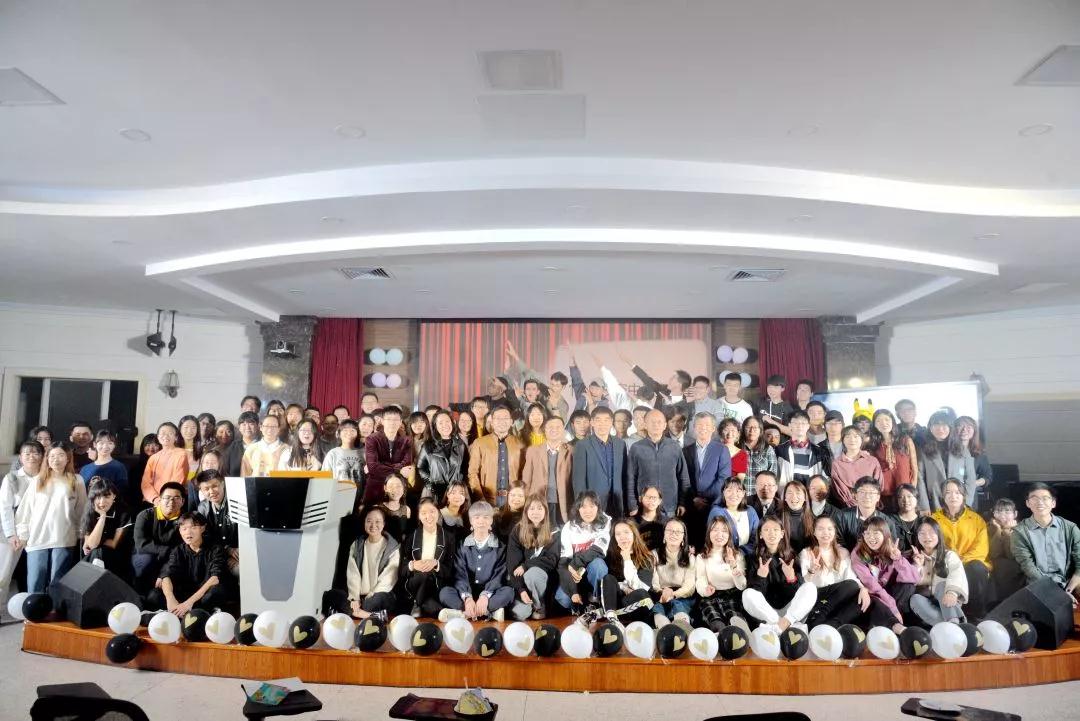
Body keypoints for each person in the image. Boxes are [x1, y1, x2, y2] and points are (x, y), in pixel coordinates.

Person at [16, 446, 88, 593]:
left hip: (64, 537)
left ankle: (56, 608)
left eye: (61, 455)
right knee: (35, 582)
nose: (56, 459)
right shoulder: (38, 480)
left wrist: (81, 533)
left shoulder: (77, 480)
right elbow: (25, 510)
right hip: (37, 537)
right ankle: (34, 608)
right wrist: (23, 534)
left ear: (67, 458)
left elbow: (82, 510)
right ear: (47, 459)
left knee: (58, 583)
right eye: (52, 456)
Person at [438, 501, 513, 621]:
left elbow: (499, 576)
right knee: (445, 593)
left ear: (491, 521)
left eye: (486, 517)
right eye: (476, 517)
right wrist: (467, 598)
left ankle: (464, 614)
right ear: (471, 521)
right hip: (466, 592)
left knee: (508, 592)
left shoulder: (500, 547)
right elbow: (460, 574)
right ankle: (488, 613)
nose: (481, 521)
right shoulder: (462, 546)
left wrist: (485, 596)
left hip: (490, 593)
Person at [146, 512, 233, 614]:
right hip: (184, 594)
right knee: (154, 595)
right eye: (184, 529)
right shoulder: (178, 550)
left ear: (202, 528)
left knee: (215, 594)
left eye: (193, 528)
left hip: (204, 593)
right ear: (180, 531)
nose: (188, 532)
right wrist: (171, 600)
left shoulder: (215, 549)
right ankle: (179, 610)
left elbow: (215, 579)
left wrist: (189, 603)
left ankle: (191, 611)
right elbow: (167, 575)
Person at [742, 517, 817, 632]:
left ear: (782, 534)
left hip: (790, 611)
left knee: (810, 587)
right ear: (760, 534)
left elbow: (799, 591)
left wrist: (791, 579)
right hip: (768, 613)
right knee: (747, 594)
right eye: (766, 530)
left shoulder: (792, 556)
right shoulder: (752, 558)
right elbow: (756, 597)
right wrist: (761, 577)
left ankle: (781, 626)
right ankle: (781, 625)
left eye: (775, 529)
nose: (771, 533)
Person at [1011, 483, 1080, 606]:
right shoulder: (1020, 532)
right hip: (1036, 583)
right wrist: (1056, 592)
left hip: (1068, 582)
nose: (1040, 502)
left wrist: (1069, 589)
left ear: (1053, 503)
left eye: (1045, 498)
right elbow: (1028, 567)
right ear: (1028, 503)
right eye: (1034, 498)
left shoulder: (1070, 528)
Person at [932, 479, 991, 619]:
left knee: (977, 568)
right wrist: (949, 560)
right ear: (943, 496)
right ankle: (951, 615)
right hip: (944, 562)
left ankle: (977, 614)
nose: (953, 496)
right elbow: (931, 544)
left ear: (963, 496)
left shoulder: (976, 520)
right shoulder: (934, 519)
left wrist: (960, 562)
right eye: (948, 492)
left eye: (957, 492)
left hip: (969, 563)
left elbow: (981, 549)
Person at [799, 515, 869, 628]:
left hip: (838, 598)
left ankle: (831, 625)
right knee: (851, 585)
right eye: (821, 529)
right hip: (817, 596)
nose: (825, 533)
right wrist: (811, 571)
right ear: (814, 532)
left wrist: (863, 589)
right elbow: (804, 586)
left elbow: (851, 578)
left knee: (862, 598)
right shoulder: (807, 553)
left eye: (829, 529)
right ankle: (818, 619)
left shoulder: (843, 552)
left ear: (835, 531)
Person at [851, 516, 918, 634]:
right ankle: (894, 624)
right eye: (867, 533)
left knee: (908, 587)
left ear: (885, 534)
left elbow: (914, 578)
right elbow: (871, 585)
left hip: (887, 591)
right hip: (870, 594)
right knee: (876, 600)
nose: (871, 538)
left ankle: (893, 623)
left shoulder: (891, 549)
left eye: (876, 533)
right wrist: (893, 608)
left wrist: (898, 559)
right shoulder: (858, 553)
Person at [337, 506, 399, 620]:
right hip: (360, 596)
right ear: (364, 523)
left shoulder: (392, 548)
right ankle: (372, 615)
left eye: (377, 521)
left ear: (384, 524)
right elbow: (353, 574)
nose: (373, 525)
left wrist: (370, 596)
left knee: (369, 603)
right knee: (333, 595)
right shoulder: (357, 545)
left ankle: (356, 612)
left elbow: (388, 579)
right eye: (369, 521)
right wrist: (355, 598)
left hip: (381, 594)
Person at [1, 441, 43, 608]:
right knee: (3, 575)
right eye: (27, 453)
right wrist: (11, 534)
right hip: (13, 534)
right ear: (20, 457)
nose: (32, 456)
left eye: (36, 453)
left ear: (42, 456)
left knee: (33, 574)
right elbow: (5, 508)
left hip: (37, 533)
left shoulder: (46, 477)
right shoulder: (12, 478)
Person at [555, 491, 611, 614]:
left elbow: (599, 549)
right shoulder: (569, 527)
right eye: (583, 507)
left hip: (592, 571)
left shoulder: (605, 521)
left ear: (598, 508)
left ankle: (596, 601)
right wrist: (573, 592)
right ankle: (578, 604)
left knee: (598, 565)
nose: (588, 511)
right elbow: (564, 563)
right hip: (574, 574)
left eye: (592, 506)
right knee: (562, 598)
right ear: (578, 508)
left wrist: (575, 563)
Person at [627, 408, 689, 517]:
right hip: (645, 507)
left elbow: (683, 477)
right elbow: (630, 478)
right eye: (652, 422)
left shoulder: (674, 447)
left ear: (665, 425)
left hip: (670, 506)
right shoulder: (636, 448)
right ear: (645, 424)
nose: (656, 425)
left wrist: (683, 502)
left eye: (659, 422)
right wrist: (632, 505)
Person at [507, 495, 561, 620]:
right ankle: (530, 604)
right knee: (519, 614)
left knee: (533, 573)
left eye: (539, 508)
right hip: (523, 583)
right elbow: (512, 565)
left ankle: (539, 606)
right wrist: (521, 590)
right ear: (526, 511)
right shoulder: (517, 531)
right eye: (531, 508)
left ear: (545, 511)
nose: (535, 512)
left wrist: (525, 566)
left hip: (544, 582)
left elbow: (551, 560)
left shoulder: (554, 531)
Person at [909, 517, 969, 625]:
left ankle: (952, 621)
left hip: (947, 599)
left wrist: (952, 592)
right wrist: (917, 566)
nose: (927, 537)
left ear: (938, 534)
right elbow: (912, 584)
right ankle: (954, 624)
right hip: (928, 603)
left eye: (931, 532)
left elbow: (957, 574)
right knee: (915, 599)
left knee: (941, 585)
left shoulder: (949, 555)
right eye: (922, 533)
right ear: (917, 536)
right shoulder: (914, 558)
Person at [403, 498, 456, 618]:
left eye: (432, 511)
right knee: (424, 575)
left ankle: (418, 603)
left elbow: (450, 571)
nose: (428, 516)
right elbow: (402, 569)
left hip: (435, 584)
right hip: (415, 582)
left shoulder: (448, 537)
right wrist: (413, 565)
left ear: (438, 512)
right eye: (424, 513)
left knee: (430, 605)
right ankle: (421, 604)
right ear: (419, 516)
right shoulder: (411, 537)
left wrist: (436, 564)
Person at [684, 412, 732, 544]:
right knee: (691, 541)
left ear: (713, 428)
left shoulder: (722, 450)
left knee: (710, 542)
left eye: (706, 425)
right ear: (694, 428)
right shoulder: (686, 451)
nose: (703, 428)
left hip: (713, 503)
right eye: (699, 425)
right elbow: (683, 478)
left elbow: (724, 478)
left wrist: (704, 498)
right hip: (691, 505)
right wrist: (693, 499)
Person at [695, 515, 749, 632]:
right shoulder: (702, 556)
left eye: (724, 531)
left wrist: (733, 565)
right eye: (715, 530)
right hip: (711, 597)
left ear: (729, 534)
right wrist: (705, 589)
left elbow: (742, 585)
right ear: (709, 533)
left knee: (737, 623)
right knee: (717, 624)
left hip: (732, 596)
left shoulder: (737, 555)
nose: (719, 534)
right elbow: (701, 579)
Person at [572, 407, 628, 517]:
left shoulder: (620, 444)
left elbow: (624, 475)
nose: (602, 424)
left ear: (611, 422)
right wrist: (583, 506)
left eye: (606, 420)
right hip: (593, 503)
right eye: (598, 420)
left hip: (617, 501)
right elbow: (579, 480)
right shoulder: (582, 445)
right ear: (592, 422)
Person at [600, 520, 655, 626]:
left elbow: (640, 587)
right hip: (617, 604)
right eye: (618, 534)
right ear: (614, 538)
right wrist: (624, 587)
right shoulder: (611, 556)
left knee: (641, 593)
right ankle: (612, 617)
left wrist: (627, 559)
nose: (622, 537)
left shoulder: (647, 557)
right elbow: (611, 584)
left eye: (626, 532)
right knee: (608, 578)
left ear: (634, 534)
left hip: (637, 603)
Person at [132, 482, 185, 592]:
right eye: (167, 498)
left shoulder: (185, 520)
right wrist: (166, 550)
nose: (171, 502)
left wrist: (165, 572)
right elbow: (141, 544)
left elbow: (181, 550)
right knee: (144, 562)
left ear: (182, 501)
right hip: (146, 553)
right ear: (160, 500)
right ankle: (139, 593)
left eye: (176, 498)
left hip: (172, 556)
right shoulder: (145, 515)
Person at [918, 410, 974, 513]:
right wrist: (924, 506)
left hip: (958, 500)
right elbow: (920, 478)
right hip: (934, 500)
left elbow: (970, 478)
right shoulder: (924, 450)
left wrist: (967, 502)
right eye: (936, 425)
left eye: (944, 425)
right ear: (930, 428)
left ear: (950, 427)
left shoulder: (962, 448)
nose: (940, 429)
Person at [468, 405, 523, 507]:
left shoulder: (520, 444)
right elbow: (472, 473)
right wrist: (480, 498)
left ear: (511, 422)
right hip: (487, 500)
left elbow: (523, 474)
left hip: (513, 501)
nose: (502, 421)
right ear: (492, 422)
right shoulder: (479, 443)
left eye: (505, 418)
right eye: (498, 418)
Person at [521, 415, 573, 524]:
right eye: (550, 427)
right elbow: (526, 479)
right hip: (539, 500)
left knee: (560, 531)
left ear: (563, 429)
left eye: (558, 427)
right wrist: (527, 501)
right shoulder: (533, 450)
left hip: (563, 501)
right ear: (544, 429)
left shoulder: (571, 451)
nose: (554, 430)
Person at [865, 410, 917, 511]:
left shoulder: (905, 440)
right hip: (884, 495)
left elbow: (914, 469)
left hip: (904, 494)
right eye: (879, 421)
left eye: (887, 420)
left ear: (893, 421)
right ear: (874, 425)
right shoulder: (872, 445)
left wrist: (911, 492)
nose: (883, 423)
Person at [81, 477, 132, 580]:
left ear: (114, 496)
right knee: (96, 552)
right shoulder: (89, 510)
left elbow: (113, 544)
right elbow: (90, 545)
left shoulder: (123, 512)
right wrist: (102, 517)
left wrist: (94, 539)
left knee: (98, 551)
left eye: (106, 496)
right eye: (98, 497)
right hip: (94, 556)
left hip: (116, 557)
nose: (102, 502)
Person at [651, 518, 696, 629]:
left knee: (677, 604)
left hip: (682, 595)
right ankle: (665, 630)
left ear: (683, 537)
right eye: (670, 530)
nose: (673, 534)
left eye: (678, 532)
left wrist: (673, 594)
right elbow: (654, 582)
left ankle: (683, 629)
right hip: (661, 594)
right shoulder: (654, 555)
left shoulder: (690, 557)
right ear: (664, 534)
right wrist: (662, 593)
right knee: (658, 609)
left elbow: (689, 586)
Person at [365, 406, 414, 505]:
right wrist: (399, 470)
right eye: (389, 419)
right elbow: (373, 467)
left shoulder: (407, 440)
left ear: (400, 422)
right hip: (376, 487)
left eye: (396, 420)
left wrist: (382, 465)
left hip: (397, 489)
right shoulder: (372, 439)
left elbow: (406, 464)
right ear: (382, 421)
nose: (392, 423)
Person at [833, 477, 899, 550]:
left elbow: (891, 547)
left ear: (878, 497)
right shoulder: (841, 517)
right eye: (862, 492)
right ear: (855, 495)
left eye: (871, 493)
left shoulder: (887, 522)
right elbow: (836, 544)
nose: (867, 496)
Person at [416, 410, 466, 505]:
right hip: (434, 492)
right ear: (435, 426)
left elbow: (465, 468)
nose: (445, 425)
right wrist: (430, 484)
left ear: (452, 423)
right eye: (440, 423)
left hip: (455, 492)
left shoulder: (460, 445)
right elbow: (420, 468)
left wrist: (458, 485)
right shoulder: (428, 445)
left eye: (447, 421)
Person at [195, 470, 237, 576]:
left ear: (223, 484)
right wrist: (227, 551)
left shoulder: (237, 502)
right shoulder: (202, 508)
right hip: (217, 555)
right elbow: (205, 538)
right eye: (206, 489)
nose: (211, 491)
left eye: (215, 486)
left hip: (239, 553)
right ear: (201, 491)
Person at [829, 425, 883, 508]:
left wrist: (869, 502)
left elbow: (879, 484)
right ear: (843, 440)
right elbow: (839, 489)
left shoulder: (872, 460)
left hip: (871, 505)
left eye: (856, 436)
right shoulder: (837, 464)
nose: (852, 440)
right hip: (848, 508)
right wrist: (855, 504)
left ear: (861, 440)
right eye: (848, 436)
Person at [706, 477, 761, 556]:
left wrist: (740, 553)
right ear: (723, 492)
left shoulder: (750, 511)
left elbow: (756, 539)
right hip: (724, 557)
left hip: (749, 557)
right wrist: (731, 555)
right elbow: (714, 539)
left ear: (743, 493)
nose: (734, 494)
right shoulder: (716, 512)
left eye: (738, 491)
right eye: (729, 490)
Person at [776, 412, 828, 489]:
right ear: (789, 425)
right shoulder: (779, 450)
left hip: (811, 494)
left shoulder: (819, 451)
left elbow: (825, 478)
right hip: (787, 494)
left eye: (803, 423)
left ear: (808, 426)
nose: (799, 426)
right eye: (795, 423)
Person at [141, 422, 190, 504]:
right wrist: (155, 499)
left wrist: (165, 499)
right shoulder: (153, 458)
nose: (166, 436)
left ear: (176, 437)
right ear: (158, 437)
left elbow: (178, 481)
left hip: (171, 501)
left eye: (170, 433)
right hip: (152, 501)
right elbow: (146, 483)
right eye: (163, 433)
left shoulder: (181, 454)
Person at [988, 498, 1025, 600]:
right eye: (999, 511)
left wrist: (1007, 532)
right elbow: (994, 553)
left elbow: (1011, 555)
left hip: (1014, 567)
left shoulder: (1022, 529)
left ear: (1015, 514)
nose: (1003, 515)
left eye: (1007, 511)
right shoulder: (989, 527)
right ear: (994, 514)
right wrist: (998, 530)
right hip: (995, 565)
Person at [954, 416, 991, 509]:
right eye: (960, 426)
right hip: (950, 495)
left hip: (970, 496)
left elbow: (987, 476)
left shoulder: (978, 453)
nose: (964, 430)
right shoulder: (948, 452)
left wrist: (972, 483)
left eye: (969, 427)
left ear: (974, 430)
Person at [79, 430, 129, 496]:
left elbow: (121, 493)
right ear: (94, 444)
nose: (105, 446)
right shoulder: (85, 469)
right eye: (101, 443)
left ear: (114, 445)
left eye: (110, 443)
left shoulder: (119, 467)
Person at [322, 419, 367, 491]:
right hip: (338, 495)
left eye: (352, 430)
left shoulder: (364, 453)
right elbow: (325, 479)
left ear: (357, 434)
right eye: (345, 430)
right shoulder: (333, 453)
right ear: (339, 434)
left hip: (360, 496)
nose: (349, 433)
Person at [741, 416, 777, 492]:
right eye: (748, 427)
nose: (751, 430)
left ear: (760, 430)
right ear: (743, 429)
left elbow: (773, 476)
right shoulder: (737, 448)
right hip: (739, 495)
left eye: (755, 428)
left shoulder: (767, 449)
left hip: (759, 495)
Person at [778, 480, 815, 553]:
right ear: (785, 498)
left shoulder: (814, 520)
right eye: (790, 493)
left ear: (805, 498)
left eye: (798, 493)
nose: (794, 496)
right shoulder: (777, 518)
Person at [630, 485, 668, 551]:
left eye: (654, 498)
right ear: (640, 499)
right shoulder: (631, 522)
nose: (651, 500)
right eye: (648, 497)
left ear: (659, 501)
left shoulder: (667, 522)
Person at [224, 412, 259, 477]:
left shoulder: (264, 445)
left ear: (258, 426)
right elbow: (226, 471)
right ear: (239, 428)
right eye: (244, 424)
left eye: (251, 424)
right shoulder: (233, 446)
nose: (247, 427)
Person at [380, 473, 412, 543]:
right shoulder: (378, 509)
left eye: (398, 486)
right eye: (391, 486)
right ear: (385, 488)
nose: (395, 489)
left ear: (403, 488)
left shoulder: (407, 510)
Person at [438, 481, 471, 546]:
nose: (457, 496)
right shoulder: (439, 514)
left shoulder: (466, 516)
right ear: (448, 495)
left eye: (461, 493)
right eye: (453, 492)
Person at [816, 410, 846, 478]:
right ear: (824, 426)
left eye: (837, 423)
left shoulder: (850, 445)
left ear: (843, 425)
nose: (833, 427)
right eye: (829, 423)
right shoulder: (819, 447)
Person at [719, 419, 749, 485]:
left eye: (733, 430)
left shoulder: (742, 454)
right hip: (715, 487)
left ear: (738, 434)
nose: (729, 433)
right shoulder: (714, 451)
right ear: (721, 432)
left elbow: (740, 477)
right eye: (726, 430)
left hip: (733, 488)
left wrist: (728, 488)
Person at [892, 483, 921, 553]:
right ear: (897, 500)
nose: (906, 500)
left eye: (909, 496)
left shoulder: (923, 521)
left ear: (916, 499)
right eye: (901, 497)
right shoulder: (890, 520)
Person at [178, 415, 202, 481]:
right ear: (180, 429)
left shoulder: (202, 450)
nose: (189, 431)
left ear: (197, 430)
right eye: (186, 427)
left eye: (193, 428)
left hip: (194, 485)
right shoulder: (174, 449)